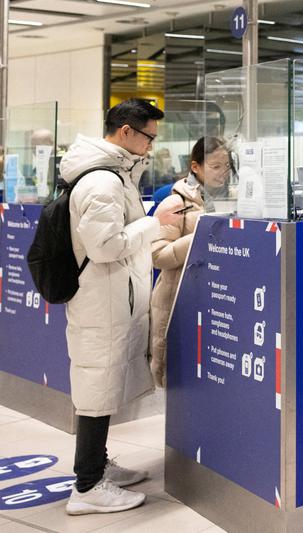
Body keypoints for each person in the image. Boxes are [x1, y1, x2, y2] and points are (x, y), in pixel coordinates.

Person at [60, 99, 184, 516]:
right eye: (149, 136)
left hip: (111, 299)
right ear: (127, 132)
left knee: (105, 384)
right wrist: (156, 219)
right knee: (97, 388)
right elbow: (105, 246)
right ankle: (87, 487)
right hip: (100, 302)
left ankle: (96, 467)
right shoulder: (102, 183)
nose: (152, 146)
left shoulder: (114, 176)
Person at [149, 136, 233, 388]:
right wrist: (199, 237)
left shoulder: (237, 198)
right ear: (195, 167)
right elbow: (158, 255)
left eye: (226, 166)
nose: (223, 173)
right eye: (215, 167)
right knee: (177, 375)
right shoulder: (176, 202)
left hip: (218, 299)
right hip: (179, 298)